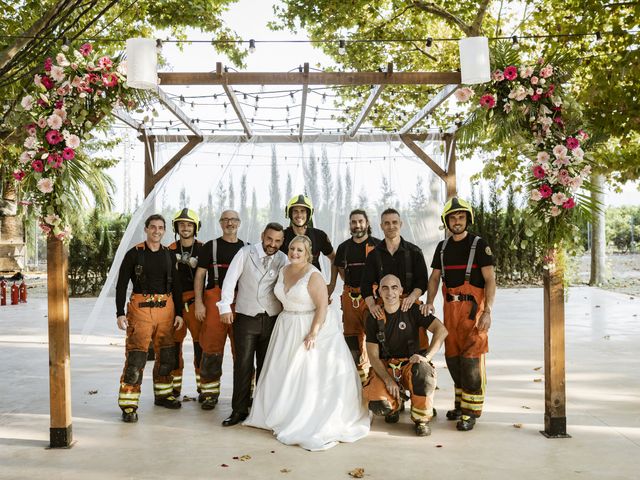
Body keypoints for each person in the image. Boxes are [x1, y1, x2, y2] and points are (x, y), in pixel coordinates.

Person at [245, 235, 370, 451]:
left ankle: (302, 417)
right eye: (292, 248)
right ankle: (279, 412)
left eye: (299, 250)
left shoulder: (314, 275)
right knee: (280, 372)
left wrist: (313, 333)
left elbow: (322, 306)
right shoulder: (284, 269)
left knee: (304, 374)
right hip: (285, 326)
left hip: (307, 325)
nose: (294, 253)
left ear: (308, 253)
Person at [423, 197, 496, 431]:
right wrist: (430, 301)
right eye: (453, 217)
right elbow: (434, 278)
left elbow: (490, 280)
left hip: (474, 313)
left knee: (472, 361)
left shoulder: (478, 244)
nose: (457, 221)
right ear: (447, 221)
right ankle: (460, 404)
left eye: (461, 217)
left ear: (468, 219)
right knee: (453, 359)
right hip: (450, 312)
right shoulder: (442, 248)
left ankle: (470, 412)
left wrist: (488, 311)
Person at [115, 214, 184, 423]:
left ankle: (163, 395)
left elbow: (177, 286)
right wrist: (119, 313)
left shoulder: (169, 255)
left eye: (160, 228)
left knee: (167, 355)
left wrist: (179, 312)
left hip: (166, 309)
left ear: (164, 231)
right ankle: (128, 405)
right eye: (152, 227)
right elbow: (121, 285)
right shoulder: (134, 254)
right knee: (136, 357)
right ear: (146, 229)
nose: (156, 231)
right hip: (140, 310)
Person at [217, 223, 288, 427]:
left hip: (272, 318)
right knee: (243, 365)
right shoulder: (245, 252)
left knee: (267, 366)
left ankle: (262, 410)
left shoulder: (283, 258)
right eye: (269, 239)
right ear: (262, 236)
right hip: (246, 316)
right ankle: (238, 410)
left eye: (277, 241)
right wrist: (224, 307)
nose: (272, 244)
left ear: (282, 241)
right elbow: (230, 280)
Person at [363, 274, 447, 437]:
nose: (390, 293)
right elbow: (373, 356)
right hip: (388, 367)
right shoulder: (374, 317)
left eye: (394, 287)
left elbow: (441, 330)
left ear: (401, 290)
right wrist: (388, 380)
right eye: (385, 288)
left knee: (423, 374)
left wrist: (427, 357)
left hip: (411, 365)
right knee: (379, 405)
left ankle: (421, 418)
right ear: (379, 292)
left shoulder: (414, 310)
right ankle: (394, 404)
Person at [193, 210, 245, 410]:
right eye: (225, 220)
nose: (229, 223)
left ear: (239, 223)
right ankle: (209, 393)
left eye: (233, 220)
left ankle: (244, 393)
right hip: (214, 299)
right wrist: (199, 302)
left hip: (240, 301)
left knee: (241, 349)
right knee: (212, 347)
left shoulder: (246, 248)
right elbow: (200, 276)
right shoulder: (210, 247)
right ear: (220, 223)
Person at [331, 209, 380, 384]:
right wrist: (331, 286)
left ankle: (378, 381)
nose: (357, 225)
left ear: (367, 223)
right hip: (350, 298)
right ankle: (360, 384)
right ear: (350, 225)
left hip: (373, 299)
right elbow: (338, 268)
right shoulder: (344, 247)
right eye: (353, 222)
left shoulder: (378, 245)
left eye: (360, 221)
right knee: (352, 341)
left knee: (377, 337)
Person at [360, 208, 429, 318]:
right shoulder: (373, 255)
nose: (391, 226)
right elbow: (365, 285)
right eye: (387, 223)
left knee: (419, 335)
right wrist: (372, 305)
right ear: (381, 226)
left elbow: (422, 281)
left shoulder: (415, 252)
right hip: (384, 306)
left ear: (400, 224)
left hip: (409, 303)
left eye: (394, 222)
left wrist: (412, 298)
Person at [167, 208, 204, 399]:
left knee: (201, 346)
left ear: (195, 227)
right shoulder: (169, 250)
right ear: (176, 227)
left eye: (189, 224)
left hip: (196, 303)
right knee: (173, 347)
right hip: (175, 304)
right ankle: (174, 387)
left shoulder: (203, 249)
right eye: (182, 224)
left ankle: (204, 388)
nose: (185, 227)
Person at [281, 195, 336, 296]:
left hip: (314, 288)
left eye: (303, 211)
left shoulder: (319, 236)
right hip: (288, 290)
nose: (299, 214)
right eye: (295, 211)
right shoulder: (282, 236)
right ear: (289, 213)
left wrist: (332, 285)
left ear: (308, 213)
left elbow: (334, 258)